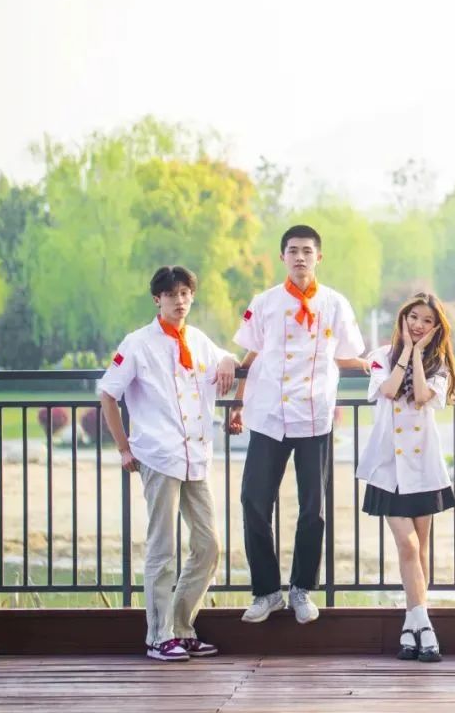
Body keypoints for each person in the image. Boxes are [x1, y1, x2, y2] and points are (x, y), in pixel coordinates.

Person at [229, 224, 367, 624]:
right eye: (293, 250)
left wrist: (374, 364)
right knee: (254, 501)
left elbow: (346, 355)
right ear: (282, 257)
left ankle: (302, 589)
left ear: (318, 257)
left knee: (313, 508)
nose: (300, 257)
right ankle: (266, 592)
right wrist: (237, 403)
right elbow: (251, 354)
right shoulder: (265, 302)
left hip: (314, 415)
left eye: (307, 251)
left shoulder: (335, 304)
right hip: (269, 415)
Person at [98, 265, 237, 661]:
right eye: (172, 294)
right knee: (162, 548)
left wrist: (229, 360)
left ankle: (181, 626)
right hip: (159, 456)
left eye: (185, 294)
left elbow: (224, 358)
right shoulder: (138, 343)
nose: (180, 301)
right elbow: (108, 393)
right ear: (157, 299)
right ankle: (158, 636)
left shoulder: (198, 339)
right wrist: (124, 448)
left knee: (209, 545)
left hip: (196, 456)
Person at [357, 293, 455, 663]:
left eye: (427, 321)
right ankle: (425, 626)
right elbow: (387, 390)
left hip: (423, 467)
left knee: (420, 548)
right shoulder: (380, 356)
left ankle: (412, 626)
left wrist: (418, 354)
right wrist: (405, 352)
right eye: (413, 317)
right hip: (388, 467)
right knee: (409, 546)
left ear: (436, 328)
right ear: (403, 319)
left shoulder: (440, 365)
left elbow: (419, 396)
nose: (418, 325)